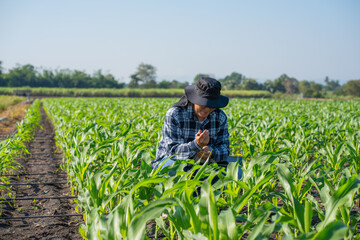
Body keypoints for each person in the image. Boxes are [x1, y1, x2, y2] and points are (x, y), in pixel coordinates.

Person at [152, 77, 242, 180]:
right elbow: (172, 151)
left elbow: (225, 149)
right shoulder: (175, 114)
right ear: (194, 99)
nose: (208, 109)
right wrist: (196, 145)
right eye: (204, 104)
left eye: (212, 105)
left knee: (237, 173)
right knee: (170, 171)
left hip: (206, 164)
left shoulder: (219, 117)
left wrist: (211, 152)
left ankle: (206, 192)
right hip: (177, 163)